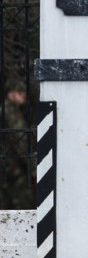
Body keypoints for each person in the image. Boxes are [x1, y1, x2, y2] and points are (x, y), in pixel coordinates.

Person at [0, 80, 31, 210]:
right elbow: (21, 138)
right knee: (24, 199)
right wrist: (33, 167)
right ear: (11, 94)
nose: (24, 95)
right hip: (10, 164)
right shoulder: (9, 110)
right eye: (20, 92)